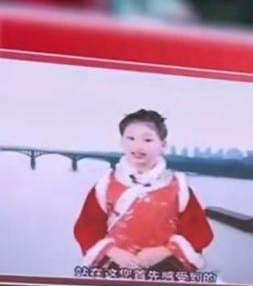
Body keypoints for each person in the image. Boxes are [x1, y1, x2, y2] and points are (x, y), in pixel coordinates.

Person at [73, 109, 216, 276]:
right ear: (122, 141)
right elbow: (86, 229)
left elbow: (200, 234)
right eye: (130, 138)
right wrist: (112, 251)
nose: (138, 146)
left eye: (147, 140)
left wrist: (165, 251)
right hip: (114, 269)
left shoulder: (179, 186)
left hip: (167, 270)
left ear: (163, 145)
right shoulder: (105, 185)